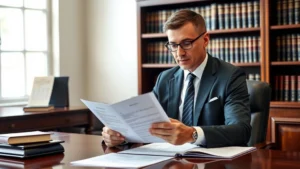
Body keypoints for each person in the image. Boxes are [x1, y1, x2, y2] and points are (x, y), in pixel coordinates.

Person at [102, 9, 251, 148]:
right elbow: (144, 123)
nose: (179, 53)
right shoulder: (165, 78)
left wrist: (192, 134)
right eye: (173, 45)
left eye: (187, 43)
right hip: (172, 161)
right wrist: (119, 136)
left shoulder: (230, 76)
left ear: (205, 40)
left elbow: (240, 131)